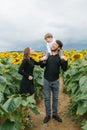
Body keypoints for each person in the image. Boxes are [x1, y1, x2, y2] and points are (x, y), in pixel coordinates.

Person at [40, 40, 68, 123]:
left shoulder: (60, 57)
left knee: (55, 98)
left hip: (55, 80)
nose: (53, 45)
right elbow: (42, 66)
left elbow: (64, 69)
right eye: (53, 44)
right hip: (46, 80)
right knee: (47, 99)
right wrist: (42, 59)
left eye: (55, 45)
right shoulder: (47, 56)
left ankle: (55, 114)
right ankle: (48, 115)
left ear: (59, 48)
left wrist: (65, 61)